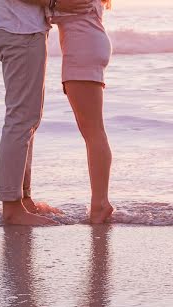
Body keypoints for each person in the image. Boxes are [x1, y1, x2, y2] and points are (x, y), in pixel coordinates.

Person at [0, 0, 94, 226]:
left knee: (28, 119)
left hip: (20, 30)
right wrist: (56, 3)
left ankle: (23, 199)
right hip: (20, 31)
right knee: (21, 120)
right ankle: (12, 207)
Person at [48, 0, 114, 224]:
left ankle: (100, 204)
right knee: (94, 131)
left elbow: (52, 8)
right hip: (86, 45)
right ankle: (100, 202)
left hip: (82, 50)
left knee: (93, 132)